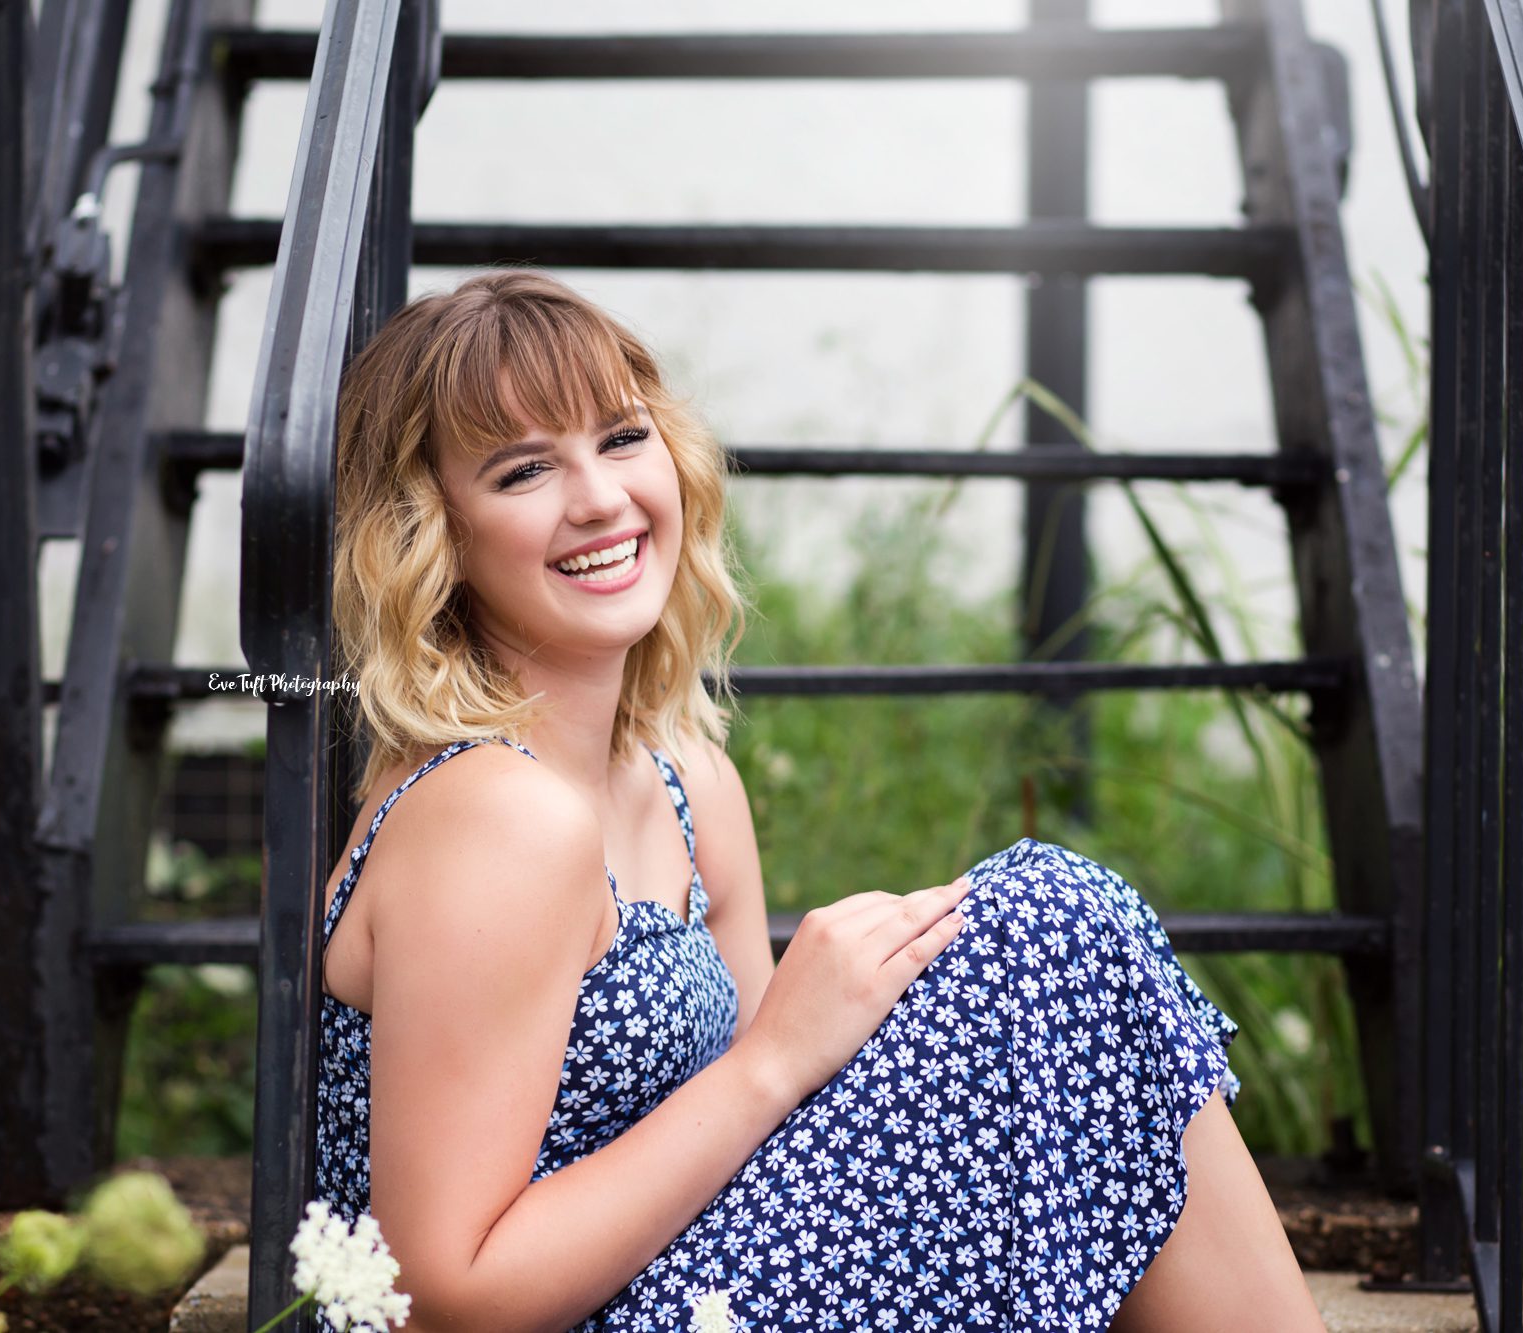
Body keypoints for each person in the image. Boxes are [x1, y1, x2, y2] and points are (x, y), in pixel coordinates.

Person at [315, 268, 1324, 1332]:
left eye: (620, 438)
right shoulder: (493, 815)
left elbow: (771, 1141)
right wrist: (775, 1055)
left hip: (686, 1277)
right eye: (524, 471)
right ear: (436, 535)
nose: (601, 497)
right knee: (1050, 922)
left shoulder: (685, 780)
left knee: (1051, 936)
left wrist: (841, 1029)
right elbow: (442, 1293)